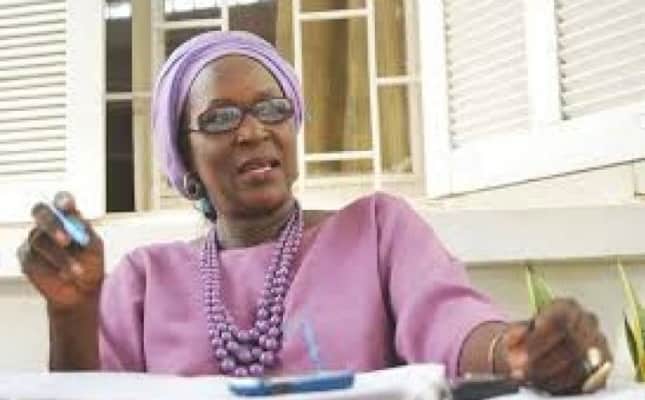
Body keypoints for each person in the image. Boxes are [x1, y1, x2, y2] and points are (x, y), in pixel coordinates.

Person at [17, 31, 611, 395]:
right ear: (186, 163)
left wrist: (516, 348)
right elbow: (88, 395)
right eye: (220, 118)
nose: (253, 131)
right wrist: (72, 313)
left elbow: (450, 323)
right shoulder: (146, 280)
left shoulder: (377, 229)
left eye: (272, 108)